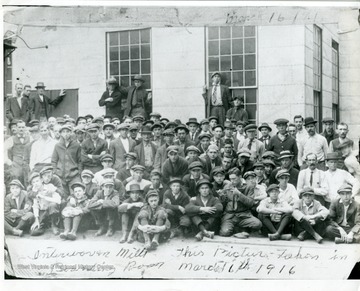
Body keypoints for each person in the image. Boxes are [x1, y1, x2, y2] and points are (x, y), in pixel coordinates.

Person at [219, 168, 262, 238]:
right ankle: (240, 230)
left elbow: (251, 203)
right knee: (224, 232)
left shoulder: (248, 187)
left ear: (240, 177)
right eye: (230, 179)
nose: (232, 181)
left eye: (234, 179)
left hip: (244, 215)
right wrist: (221, 197)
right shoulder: (227, 186)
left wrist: (239, 194)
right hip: (230, 215)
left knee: (258, 224)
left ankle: (239, 229)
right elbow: (223, 203)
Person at [52, 125, 82, 198]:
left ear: (71, 133)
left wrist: (79, 172)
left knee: (75, 195)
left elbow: (80, 161)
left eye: (68, 132)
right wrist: (55, 171)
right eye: (64, 132)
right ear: (61, 133)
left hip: (74, 175)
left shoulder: (76, 145)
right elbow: (54, 161)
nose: (66, 134)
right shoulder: (58, 146)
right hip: (61, 176)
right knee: (63, 196)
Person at [4, 120, 31, 184]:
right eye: (19, 127)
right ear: (16, 128)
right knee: (17, 180)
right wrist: (8, 161)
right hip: (16, 164)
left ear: (25, 128)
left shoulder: (30, 138)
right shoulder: (11, 139)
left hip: (27, 163)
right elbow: (2, 149)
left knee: (28, 180)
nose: (21, 129)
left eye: (23, 127)